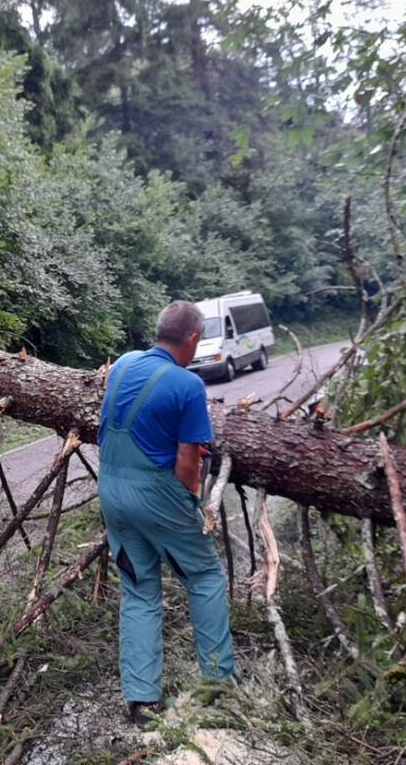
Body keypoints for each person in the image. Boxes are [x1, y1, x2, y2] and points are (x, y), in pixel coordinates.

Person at [98, 300, 236, 726]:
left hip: (111, 490)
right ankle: (217, 682)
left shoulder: (122, 365)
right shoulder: (188, 385)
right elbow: (187, 459)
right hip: (155, 493)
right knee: (204, 575)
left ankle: (142, 701)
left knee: (139, 590)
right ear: (192, 339)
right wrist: (187, 502)